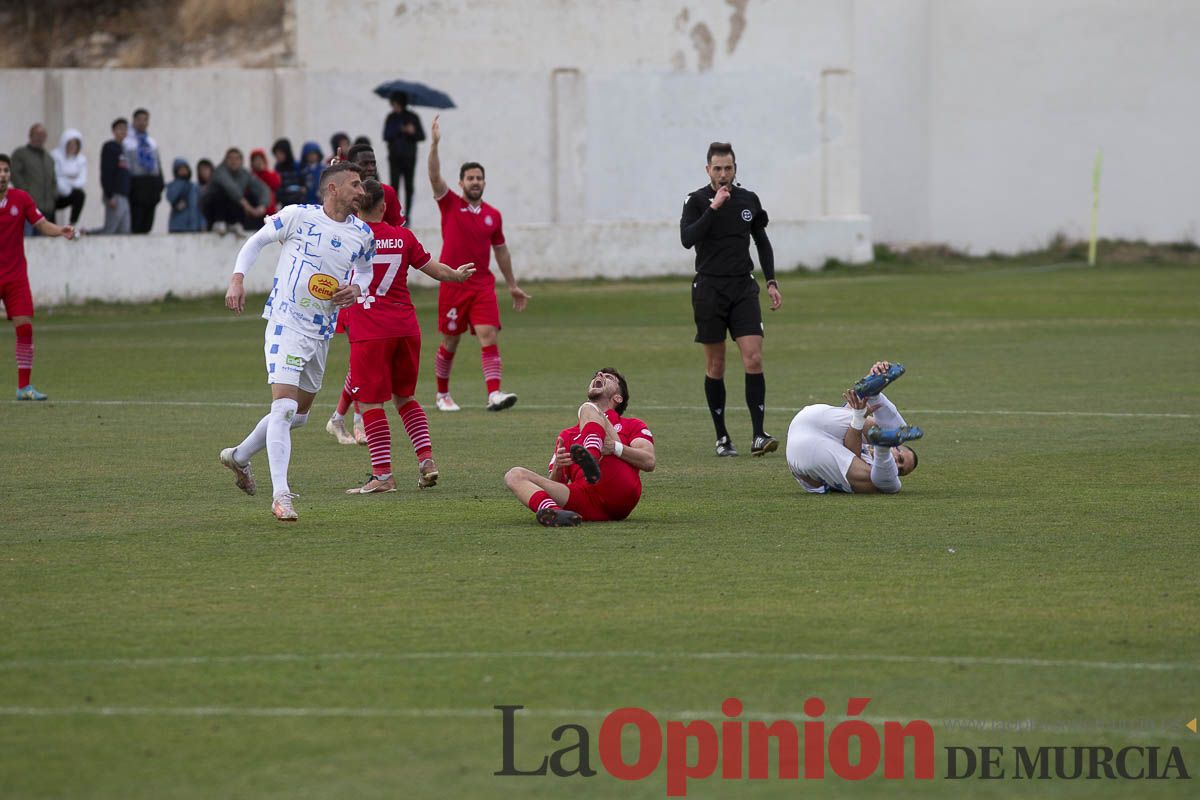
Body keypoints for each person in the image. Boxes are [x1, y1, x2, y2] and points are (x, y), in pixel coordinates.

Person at [218, 162, 374, 522]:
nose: (361, 192)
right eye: (354, 185)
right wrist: (237, 280)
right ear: (333, 189)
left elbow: (366, 269)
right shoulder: (298, 217)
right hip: (285, 322)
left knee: (298, 417)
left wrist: (357, 288)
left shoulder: (362, 234)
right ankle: (281, 496)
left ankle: (239, 457)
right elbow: (255, 242)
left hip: (321, 331)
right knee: (284, 409)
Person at [338, 179, 476, 493]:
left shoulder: (351, 237)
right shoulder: (403, 237)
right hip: (405, 328)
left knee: (371, 403)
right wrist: (457, 275)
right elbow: (436, 270)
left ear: (358, 206)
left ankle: (383, 476)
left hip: (370, 331)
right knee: (405, 398)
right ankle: (426, 459)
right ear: (385, 207)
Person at [681, 141, 783, 458]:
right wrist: (714, 207)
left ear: (735, 168)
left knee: (753, 357)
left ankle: (758, 434)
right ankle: (722, 437)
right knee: (716, 363)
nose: (723, 174)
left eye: (728, 168)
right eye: (717, 168)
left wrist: (771, 281)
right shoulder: (696, 201)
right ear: (708, 170)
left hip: (742, 288)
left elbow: (762, 242)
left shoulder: (748, 200)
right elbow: (687, 239)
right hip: (709, 289)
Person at [427, 114, 529, 412]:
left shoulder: (493, 215)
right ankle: (442, 394)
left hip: (482, 283)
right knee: (451, 341)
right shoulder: (450, 203)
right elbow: (434, 177)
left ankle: (494, 393)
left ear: (484, 182)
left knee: (488, 335)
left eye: (479, 178)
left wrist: (512, 285)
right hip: (452, 281)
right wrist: (434, 145)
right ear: (461, 183)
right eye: (470, 178)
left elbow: (501, 250)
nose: (475, 182)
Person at [325, 143, 408, 446]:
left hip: (379, 284)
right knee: (360, 357)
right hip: (353, 285)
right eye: (363, 163)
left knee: (362, 358)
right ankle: (357, 419)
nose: (370, 167)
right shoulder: (342, 195)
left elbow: (395, 230)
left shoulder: (385, 192)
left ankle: (340, 418)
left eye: (372, 162)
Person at [504, 369, 656, 527]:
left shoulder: (631, 424)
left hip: (617, 491)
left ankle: (592, 457)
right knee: (514, 475)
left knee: (588, 408)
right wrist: (558, 468)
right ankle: (554, 512)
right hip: (585, 499)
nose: (600, 376)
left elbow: (649, 461)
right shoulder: (567, 435)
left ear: (618, 397)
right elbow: (555, 484)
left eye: (609, 377)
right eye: (596, 375)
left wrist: (615, 447)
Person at [0, 153, 77, 400]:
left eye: (5, 171)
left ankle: (24, 388)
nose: (2, 175)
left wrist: (60, 230)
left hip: (15, 277)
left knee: (25, 329)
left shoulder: (21, 198)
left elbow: (41, 224)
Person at [785, 361, 923, 495]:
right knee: (881, 485)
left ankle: (874, 396)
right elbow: (854, 408)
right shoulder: (874, 461)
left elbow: (854, 412)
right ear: (894, 447)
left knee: (861, 419)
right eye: (900, 459)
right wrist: (876, 373)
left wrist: (859, 414)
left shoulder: (876, 467)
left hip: (806, 437)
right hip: (810, 438)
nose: (896, 466)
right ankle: (874, 398)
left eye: (900, 471)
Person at [201, 148, 270, 234]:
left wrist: (262, 205)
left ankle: (235, 224)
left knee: (251, 197)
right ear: (226, 160)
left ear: (241, 161)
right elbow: (231, 188)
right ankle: (219, 222)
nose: (234, 161)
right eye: (231, 158)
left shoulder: (244, 174)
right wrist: (249, 208)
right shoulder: (220, 171)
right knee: (222, 193)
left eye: (237, 158)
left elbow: (263, 188)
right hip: (213, 210)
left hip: (233, 208)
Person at [382, 92, 425, 218]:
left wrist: (412, 132)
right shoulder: (391, 118)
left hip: (409, 158)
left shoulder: (413, 117)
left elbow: (421, 136)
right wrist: (399, 129)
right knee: (393, 187)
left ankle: (408, 215)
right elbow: (386, 135)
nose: (394, 106)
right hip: (394, 158)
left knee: (409, 187)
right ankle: (395, 214)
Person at [123, 108, 163, 234]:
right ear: (134, 121)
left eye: (145, 120)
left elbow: (158, 163)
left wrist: (159, 184)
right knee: (137, 219)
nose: (142, 123)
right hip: (137, 183)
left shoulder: (151, 142)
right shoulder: (128, 142)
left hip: (152, 183)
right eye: (139, 119)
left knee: (148, 220)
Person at [11, 124, 56, 224]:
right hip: (28, 208)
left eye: (43, 135)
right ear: (31, 135)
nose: (40, 137)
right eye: (37, 134)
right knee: (27, 238)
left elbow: (54, 180)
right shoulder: (21, 154)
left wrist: (52, 197)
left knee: (45, 239)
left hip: (46, 211)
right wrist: (26, 192)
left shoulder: (49, 158)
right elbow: (14, 174)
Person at [97, 118, 132, 235]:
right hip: (115, 195)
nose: (123, 132)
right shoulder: (110, 147)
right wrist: (110, 195)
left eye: (125, 129)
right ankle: (86, 234)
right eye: (120, 129)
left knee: (124, 229)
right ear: (114, 131)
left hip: (124, 195)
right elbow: (106, 172)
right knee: (110, 229)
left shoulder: (124, 149)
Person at [51, 128, 87, 225]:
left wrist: (65, 178)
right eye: (70, 144)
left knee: (80, 195)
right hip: (53, 195)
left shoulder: (81, 160)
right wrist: (71, 178)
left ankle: (72, 224)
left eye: (75, 144)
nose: (72, 147)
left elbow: (82, 181)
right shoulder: (55, 156)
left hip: (68, 194)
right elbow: (56, 178)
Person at [166, 158, 203, 233]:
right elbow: (171, 197)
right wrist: (180, 182)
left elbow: (199, 207)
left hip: (194, 226)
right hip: (178, 227)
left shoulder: (194, 187)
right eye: (180, 169)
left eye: (185, 169)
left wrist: (201, 224)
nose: (183, 171)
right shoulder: (173, 186)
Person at [250, 149, 281, 217]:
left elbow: (275, 184)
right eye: (256, 160)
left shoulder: (270, 174)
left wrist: (264, 172)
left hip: (270, 209)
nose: (258, 162)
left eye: (260, 160)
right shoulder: (250, 177)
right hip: (255, 207)